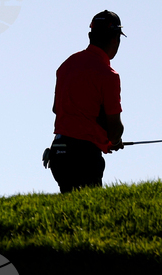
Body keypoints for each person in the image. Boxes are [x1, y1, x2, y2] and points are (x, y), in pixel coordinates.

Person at [45, 10, 126, 193]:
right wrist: (114, 140)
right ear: (115, 39)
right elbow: (114, 129)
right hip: (85, 157)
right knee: (90, 211)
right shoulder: (109, 75)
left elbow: (57, 109)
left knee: (69, 211)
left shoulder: (66, 66)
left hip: (58, 151)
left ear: (90, 36)